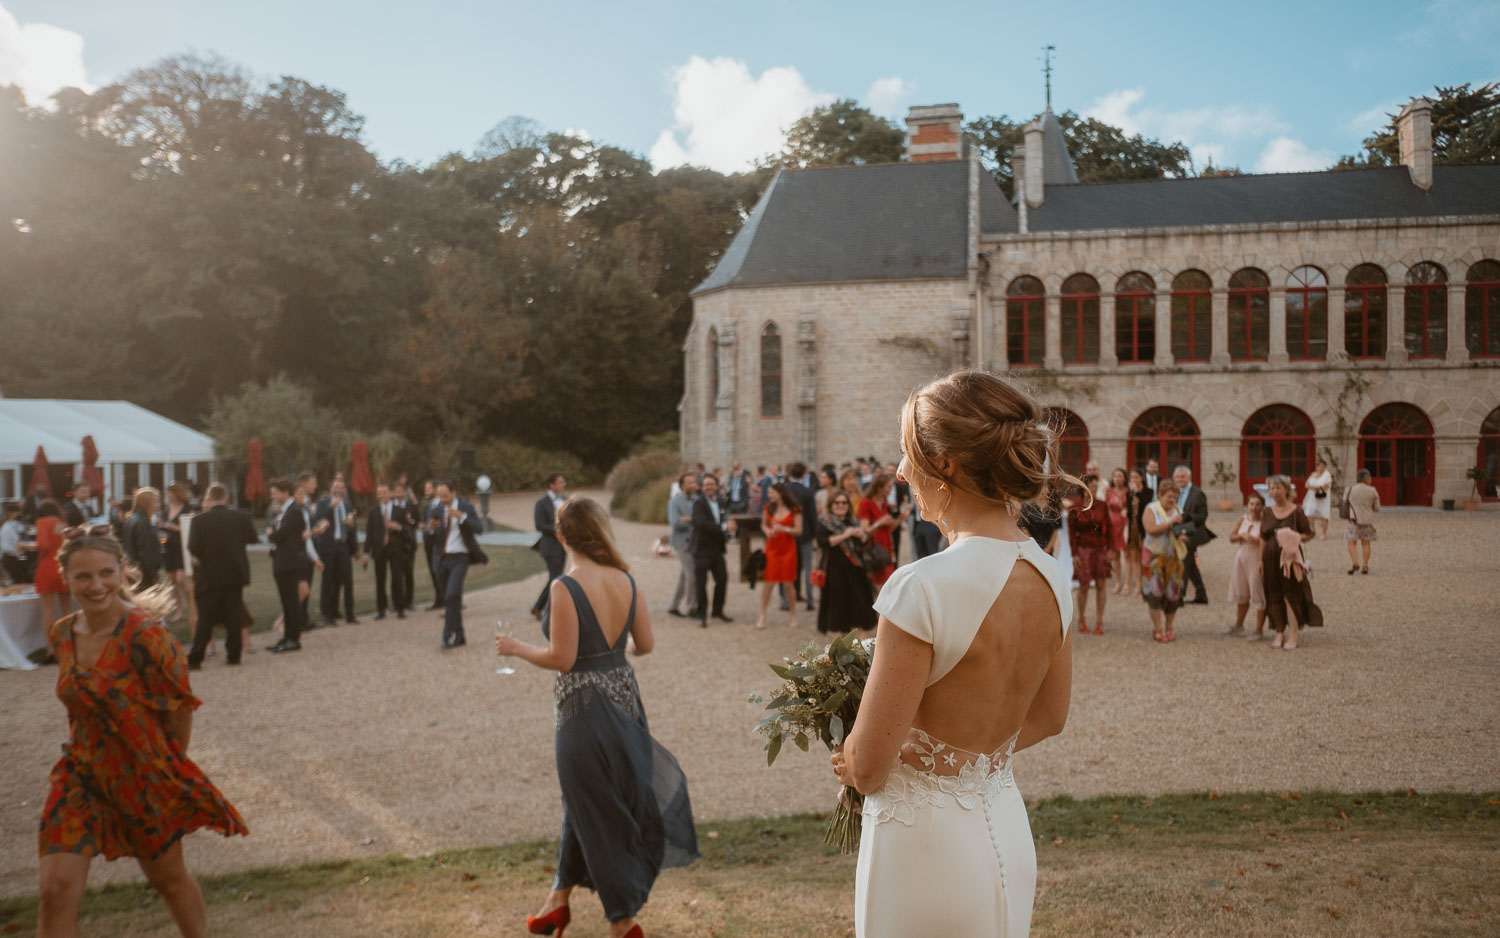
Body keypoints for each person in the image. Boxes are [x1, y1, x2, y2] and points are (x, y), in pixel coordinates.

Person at [830, 370, 1074, 938]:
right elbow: (1048, 717)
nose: (898, 472)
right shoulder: (1050, 574)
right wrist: (967, 759)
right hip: (1006, 827)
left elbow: (869, 765)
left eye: (907, 453)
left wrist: (852, 755)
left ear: (945, 465)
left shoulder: (920, 586)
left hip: (924, 845)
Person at [494, 498, 697, 938]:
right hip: (625, 703)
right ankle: (557, 901)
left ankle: (622, 921)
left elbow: (563, 658)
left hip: (581, 713)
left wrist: (516, 648)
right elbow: (644, 645)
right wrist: (610, 653)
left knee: (594, 804)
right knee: (585, 799)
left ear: (562, 535)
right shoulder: (627, 579)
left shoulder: (565, 587)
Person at [36, 528, 247, 938]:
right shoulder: (62, 633)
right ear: (66, 578)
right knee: (54, 890)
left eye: (106, 573)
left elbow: (180, 708)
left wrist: (165, 770)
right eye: (83, 577)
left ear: (123, 573)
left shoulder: (146, 635)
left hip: (143, 776)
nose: (96, 585)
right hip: (79, 773)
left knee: (168, 880)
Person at [185, 483, 259, 669]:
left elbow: (194, 548)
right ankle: (234, 656)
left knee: (206, 617)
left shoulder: (199, 520)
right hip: (234, 572)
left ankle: (196, 657)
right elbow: (253, 538)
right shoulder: (241, 517)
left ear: (209, 498)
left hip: (209, 574)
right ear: (226, 498)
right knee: (234, 615)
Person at [1260, 475, 1322, 649]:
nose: (1275, 491)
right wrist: (1260, 561)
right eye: (1271, 488)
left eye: (1278, 488)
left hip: (1290, 558)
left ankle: (1293, 635)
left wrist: (1293, 536)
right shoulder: (1267, 511)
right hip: (1270, 558)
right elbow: (1262, 538)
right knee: (1273, 595)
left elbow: (1308, 533)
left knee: (1291, 595)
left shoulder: (1297, 511)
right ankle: (1279, 632)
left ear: (1287, 489)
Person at [427, 480, 486, 649]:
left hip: (460, 557)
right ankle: (459, 635)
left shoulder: (466, 507)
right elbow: (430, 537)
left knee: (452, 595)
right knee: (450, 599)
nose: (443, 499)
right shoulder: (436, 509)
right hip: (441, 558)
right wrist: (430, 529)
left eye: (445, 496)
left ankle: (447, 634)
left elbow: (479, 528)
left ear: (453, 493)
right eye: (440, 496)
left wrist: (462, 517)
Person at [266, 477, 320, 654]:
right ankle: (287, 637)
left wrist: (271, 534)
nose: (272, 495)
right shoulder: (283, 511)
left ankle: (293, 639)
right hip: (281, 561)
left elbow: (280, 534)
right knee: (286, 601)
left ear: (284, 492)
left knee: (291, 601)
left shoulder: (294, 511)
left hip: (290, 562)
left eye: (275, 492)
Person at [815, 491, 876, 635]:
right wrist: (846, 534)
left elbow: (865, 542)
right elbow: (824, 541)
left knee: (860, 603)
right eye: (837, 503)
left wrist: (862, 536)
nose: (841, 506)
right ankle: (841, 642)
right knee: (838, 604)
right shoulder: (825, 522)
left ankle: (858, 641)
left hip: (856, 570)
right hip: (835, 571)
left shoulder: (853, 521)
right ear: (831, 505)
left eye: (844, 503)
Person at [1141, 480, 1186, 643]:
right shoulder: (1151, 509)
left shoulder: (1177, 510)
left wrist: (1183, 534)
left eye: (1175, 497)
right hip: (1154, 557)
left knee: (1173, 593)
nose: (1172, 500)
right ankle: (1158, 628)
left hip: (1173, 558)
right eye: (1169, 496)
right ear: (1160, 495)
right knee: (1156, 592)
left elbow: (1178, 530)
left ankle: (1170, 627)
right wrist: (1170, 523)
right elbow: (1150, 529)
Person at [689, 474, 735, 628]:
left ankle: (717, 610)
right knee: (701, 584)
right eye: (706, 484)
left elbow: (725, 519)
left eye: (712, 484)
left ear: (716, 486)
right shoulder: (698, 503)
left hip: (717, 549)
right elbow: (701, 523)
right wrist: (723, 527)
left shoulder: (721, 501)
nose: (709, 487)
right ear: (702, 487)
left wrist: (729, 527)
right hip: (701, 549)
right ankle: (701, 615)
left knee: (722, 579)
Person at [1069, 475, 1113, 634]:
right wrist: (1074, 554)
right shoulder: (1075, 507)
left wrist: (1111, 549)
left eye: (1096, 486)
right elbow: (1072, 533)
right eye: (1092, 486)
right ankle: (1081, 618)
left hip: (1100, 549)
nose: (1095, 489)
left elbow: (1110, 528)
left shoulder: (1102, 505)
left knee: (1101, 585)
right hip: (1083, 550)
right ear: (1084, 487)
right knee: (1084, 586)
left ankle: (1099, 621)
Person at [314, 479, 360, 626]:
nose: (338, 490)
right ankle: (328, 615)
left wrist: (355, 548)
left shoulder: (347, 505)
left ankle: (350, 614)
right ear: (331, 489)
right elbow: (317, 520)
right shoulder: (322, 502)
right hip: (328, 547)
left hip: (343, 546)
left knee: (347, 580)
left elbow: (352, 528)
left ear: (344, 490)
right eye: (335, 487)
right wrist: (330, 508)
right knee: (328, 581)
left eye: (341, 487)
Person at [756, 483, 802, 629]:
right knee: (768, 583)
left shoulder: (795, 509)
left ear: (780, 493)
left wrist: (784, 528)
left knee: (789, 584)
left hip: (788, 549)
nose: (769, 495)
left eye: (771, 493)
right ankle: (762, 614)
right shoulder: (768, 508)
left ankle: (792, 614)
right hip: (772, 549)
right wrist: (767, 531)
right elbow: (763, 525)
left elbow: (798, 530)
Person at [1225, 492, 1268, 641]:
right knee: (1241, 592)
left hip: (1256, 559)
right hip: (1241, 558)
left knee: (1258, 592)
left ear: (1262, 506)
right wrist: (1241, 536)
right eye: (1251, 504)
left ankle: (1258, 630)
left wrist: (1256, 540)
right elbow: (1231, 537)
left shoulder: (1264, 522)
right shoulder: (1242, 519)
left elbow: (1268, 542)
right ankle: (1239, 625)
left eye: (1257, 505)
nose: (1254, 507)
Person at [1172, 465, 1215, 604]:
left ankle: (1179, 595)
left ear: (1189, 477)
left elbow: (1203, 516)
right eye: (1177, 477)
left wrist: (1186, 517)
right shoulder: (1173, 492)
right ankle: (1201, 595)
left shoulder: (1198, 493)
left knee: (1184, 562)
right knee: (1190, 564)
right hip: (1178, 531)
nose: (1180, 479)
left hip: (1193, 532)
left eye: (1183, 476)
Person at [531, 473, 569, 619]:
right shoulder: (541, 503)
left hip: (563, 546)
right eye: (560, 482)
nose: (563, 484)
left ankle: (538, 607)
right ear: (551, 485)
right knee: (556, 579)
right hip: (549, 547)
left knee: (556, 578)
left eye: (563, 481)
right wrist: (557, 528)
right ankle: (549, 612)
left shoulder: (565, 500)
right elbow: (539, 525)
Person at [366, 483, 405, 620]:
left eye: (385, 492)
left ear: (390, 493)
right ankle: (381, 609)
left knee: (397, 578)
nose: (383, 495)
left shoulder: (399, 510)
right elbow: (369, 533)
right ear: (377, 496)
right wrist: (366, 552)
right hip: (379, 549)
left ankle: (400, 607)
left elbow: (407, 529)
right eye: (380, 493)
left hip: (395, 548)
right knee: (380, 579)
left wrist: (398, 527)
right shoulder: (373, 512)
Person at [158, 483, 195, 625]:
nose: (168, 496)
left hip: (181, 548)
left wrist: (174, 527)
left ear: (178, 493)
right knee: (172, 581)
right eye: (167, 493)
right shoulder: (165, 510)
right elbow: (162, 524)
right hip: (168, 548)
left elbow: (191, 528)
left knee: (181, 579)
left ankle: (192, 605)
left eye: (171, 493)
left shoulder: (188, 509)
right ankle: (179, 610)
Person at [857, 474, 903, 589]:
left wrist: (901, 518)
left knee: (888, 585)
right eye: (888, 487)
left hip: (886, 549)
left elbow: (888, 530)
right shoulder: (865, 503)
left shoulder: (883, 503)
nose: (890, 490)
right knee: (879, 587)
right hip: (875, 551)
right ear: (879, 488)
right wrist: (879, 522)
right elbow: (865, 531)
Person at [783, 462, 818, 612]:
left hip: (787, 533)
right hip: (805, 534)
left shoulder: (784, 491)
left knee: (786, 568)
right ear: (804, 474)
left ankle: (785, 601)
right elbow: (812, 516)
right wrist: (815, 534)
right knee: (808, 567)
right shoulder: (807, 492)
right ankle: (809, 599)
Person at [34, 501, 73, 629]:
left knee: (48, 611)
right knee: (67, 610)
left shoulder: (42, 522)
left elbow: (43, 545)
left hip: (47, 567)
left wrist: (26, 546)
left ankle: (51, 646)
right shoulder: (63, 524)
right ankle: (71, 642)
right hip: (62, 567)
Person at [665, 474, 699, 618]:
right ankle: (692, 608)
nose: (693, 484)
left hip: (695, 542)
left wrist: (690, 519)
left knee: (684, 576)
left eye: (694, 482)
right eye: (689, 482)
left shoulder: (698, 500)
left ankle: (673, 606)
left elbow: (703, 519)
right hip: (682, 543)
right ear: (682, 486)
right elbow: (675, 523)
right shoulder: (674, 502)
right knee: (692, 576)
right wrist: (695, 521)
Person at [123, 488, 163, 589]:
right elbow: (145, 551)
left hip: (133, 568)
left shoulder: (131, 519)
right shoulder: (143, 522)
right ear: (147, 502)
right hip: (144, 572)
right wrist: (154, 576)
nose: (158, 505)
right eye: (156, 501)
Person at [1344, 468, 1381, 574]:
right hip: (1367, 521)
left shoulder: (1350, 489)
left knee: (1351, 542)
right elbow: (1377, 507)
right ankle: (1365, 565)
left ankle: (1355, 562)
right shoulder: (1372, 490)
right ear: (1367, 479)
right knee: (1366, 543)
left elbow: (1344, 502)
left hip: (1353, 520)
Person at [1123, 468, 1152, 597]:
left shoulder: (1148, 492)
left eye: (1136, 477)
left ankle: (1148, 586)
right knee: (1134, 557)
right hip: (1132, 528)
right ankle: (1138, 586)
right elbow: (1130, 513)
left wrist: (1137, 493)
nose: (1133, 480)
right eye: (1131, 478)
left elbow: (1145, 508)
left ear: (1142, 478)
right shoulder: (1129, 493)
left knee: (1145, 558)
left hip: (1144, 528)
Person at [392, 481, 420, 615]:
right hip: (395, 545)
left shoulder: (411, 506)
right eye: (396, 490)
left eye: (400, 490)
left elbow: (417, 522)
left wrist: (412, 521)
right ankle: (397, 602)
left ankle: (409, 601)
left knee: (408, 574)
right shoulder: (391, 507)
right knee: (396, 575)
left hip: (409, 544)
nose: (398, 493)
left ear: (404, 492)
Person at [1104, 468, 1129, 593]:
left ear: (1125, 478)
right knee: (1115, 555)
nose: (1117, 479)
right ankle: (1118, 582)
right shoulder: (1109, 491)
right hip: (1112, 524)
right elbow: (1106, 506)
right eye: (1115, 476)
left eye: (1120, 476)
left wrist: (1123, 507)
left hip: (1125, 524)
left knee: (1128, 554)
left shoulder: (1128, 491)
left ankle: (1128, 584)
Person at [1, 502, 33, 584]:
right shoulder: (7, 527)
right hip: (10, 558)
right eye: (17, 512)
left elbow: (25, 531)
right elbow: (18, 545)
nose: (19, 514)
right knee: (19, 582)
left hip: (17, 558)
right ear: (10, 514)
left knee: (25, 580)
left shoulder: (17, 524)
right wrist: (33, 546)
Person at [1302, 459, 1333, 539]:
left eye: (1322, 466)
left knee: (1324, 515)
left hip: (1323, 498)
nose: (1321, 467)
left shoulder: (1327, 475)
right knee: (1309, 514)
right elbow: (1307, 484)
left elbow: (1327, 485)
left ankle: (1324, 533)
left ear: (1325, 467)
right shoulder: (1313, 474)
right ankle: (1312, 530)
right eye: (1319, 466)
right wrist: (1313, 487)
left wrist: (1317, 487)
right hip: (1312, 498)